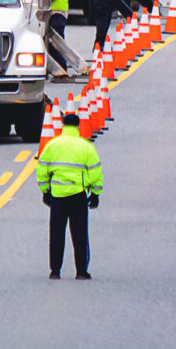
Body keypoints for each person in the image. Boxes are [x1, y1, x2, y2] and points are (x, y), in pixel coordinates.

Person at [37, 111, 103, 280]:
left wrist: (45, 191)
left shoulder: (52, 145)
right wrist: (95, 193)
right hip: (78, 195)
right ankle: (81, 271)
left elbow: (42, 170)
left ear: (63, 125)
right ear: (78, 126)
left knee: (57, 233)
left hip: (58, 196)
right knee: (80, 233)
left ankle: (55, 271)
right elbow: (95, 172)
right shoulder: (85, 146)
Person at [46, 0, 71, 77]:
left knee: (56, 43)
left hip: (58, 14)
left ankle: (62, 69)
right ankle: (58, 68)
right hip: (53, 14)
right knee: (52, 42)